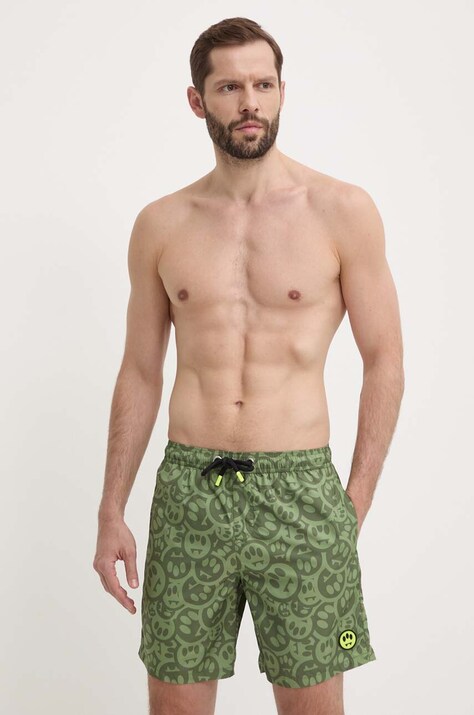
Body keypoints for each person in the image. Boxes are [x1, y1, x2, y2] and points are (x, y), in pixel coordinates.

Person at [93, 16, 404, 715]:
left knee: (313, 706)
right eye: (230, 87)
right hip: (189, 493)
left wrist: (352, 501)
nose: (250, 102)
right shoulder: (161, 224)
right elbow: (140, 370)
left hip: (301, 494)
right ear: (198, 100)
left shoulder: (342, 211)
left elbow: (385, 357)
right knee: (174, 706)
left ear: (282, 92)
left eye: (263, 84)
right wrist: (111, 507)